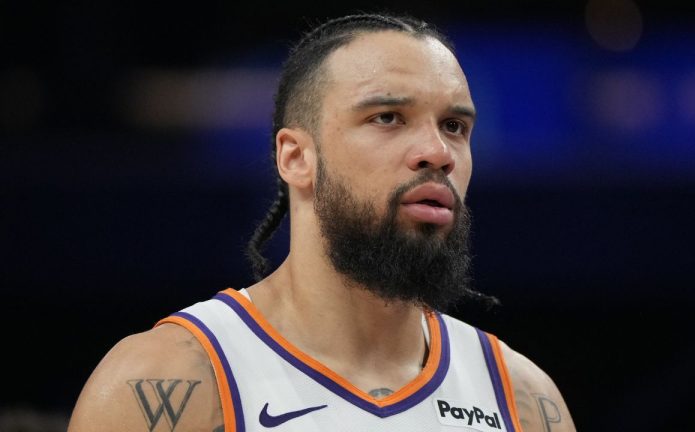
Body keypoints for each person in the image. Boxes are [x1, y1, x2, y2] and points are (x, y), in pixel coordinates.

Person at [68, 13, 576, 432]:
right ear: (295, 157)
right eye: (388, 118)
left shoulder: (524, 402)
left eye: (454, 126)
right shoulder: (166, 381)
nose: (437, 153)